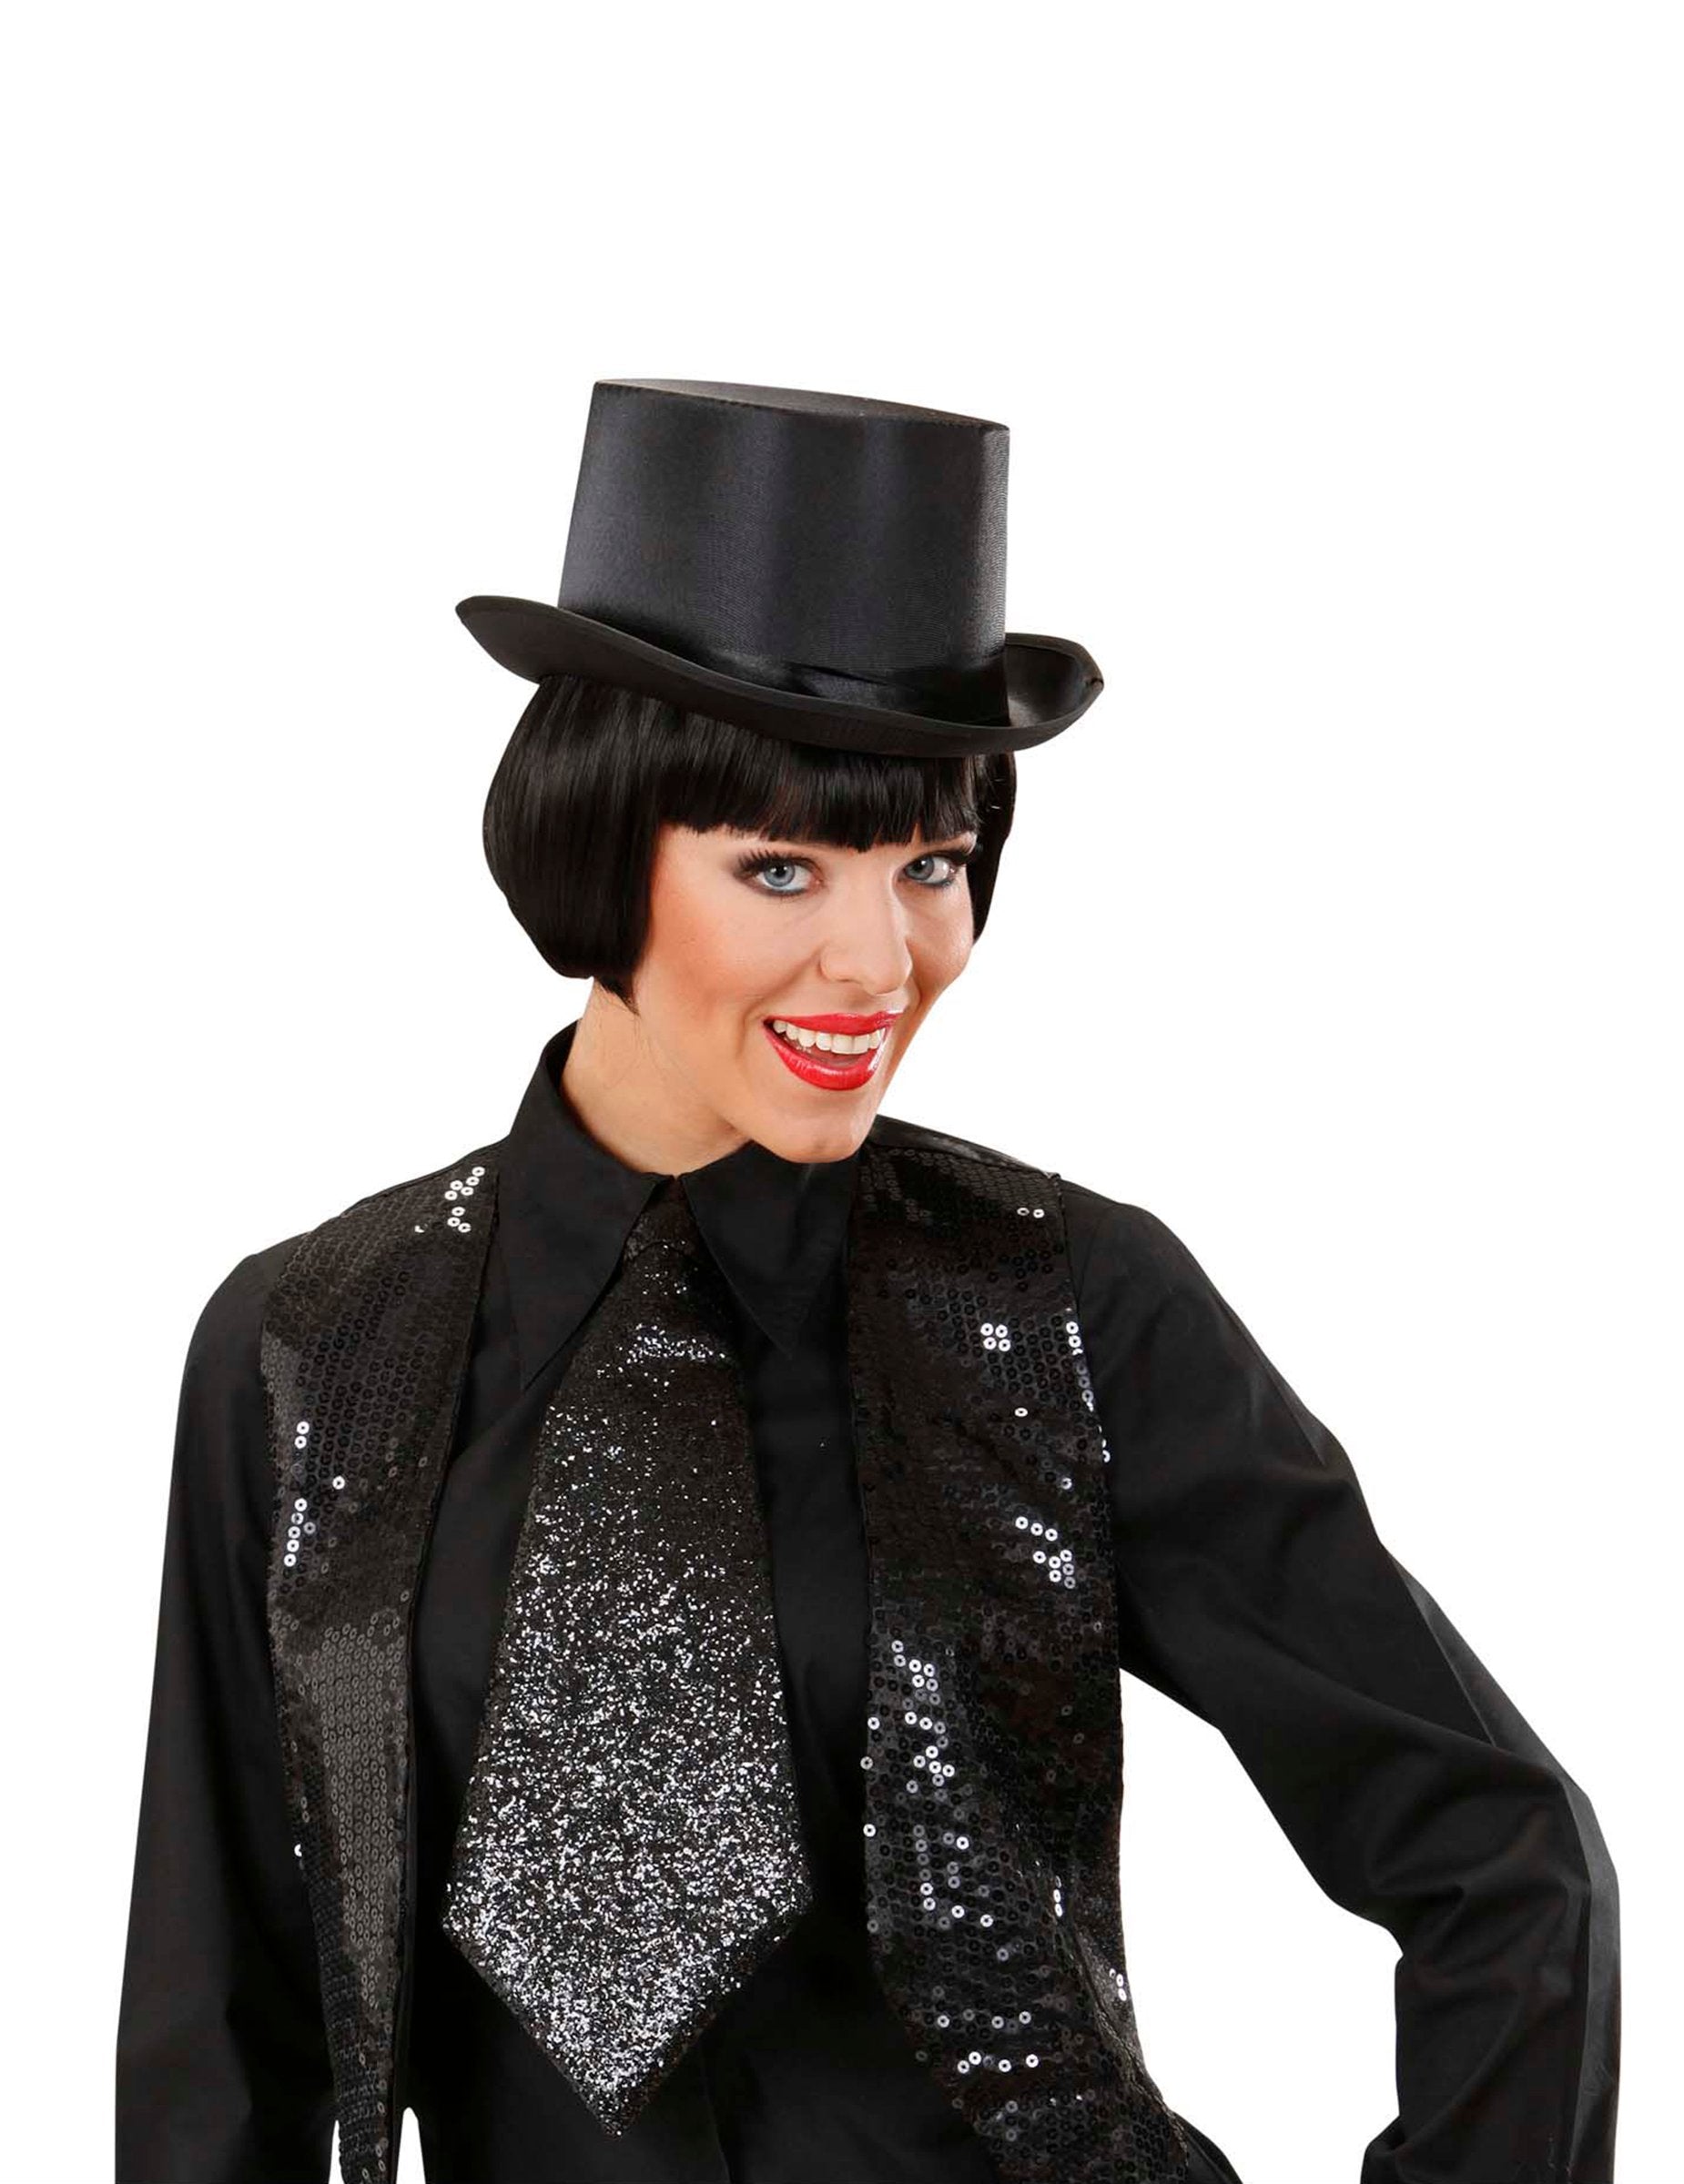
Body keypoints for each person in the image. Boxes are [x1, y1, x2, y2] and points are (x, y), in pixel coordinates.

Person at [116, 380, 1620, 2184]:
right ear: (596, 846)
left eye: (931, 865)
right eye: (779, 866)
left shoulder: (1074, 1307)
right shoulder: (308, 1343)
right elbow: (222, 2022)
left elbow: (1499, 1856)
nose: (878, 959)